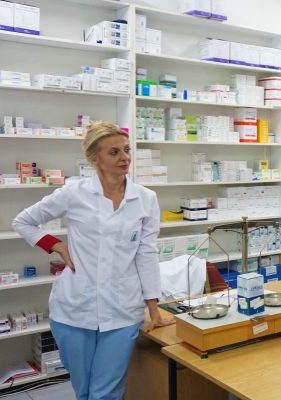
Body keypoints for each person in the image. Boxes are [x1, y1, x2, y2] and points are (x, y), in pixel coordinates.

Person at [13, 122, 174, 400]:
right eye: (114, 152)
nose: (124, 157)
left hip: (123, 311)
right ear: (94, 157)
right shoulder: (74, 193)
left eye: (126, 150)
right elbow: (23, 221)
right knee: (84, 390)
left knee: (105, 393)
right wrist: (55, 245)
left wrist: (154, 309)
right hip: (74, 309)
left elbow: (146, 254)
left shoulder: (146, 199)